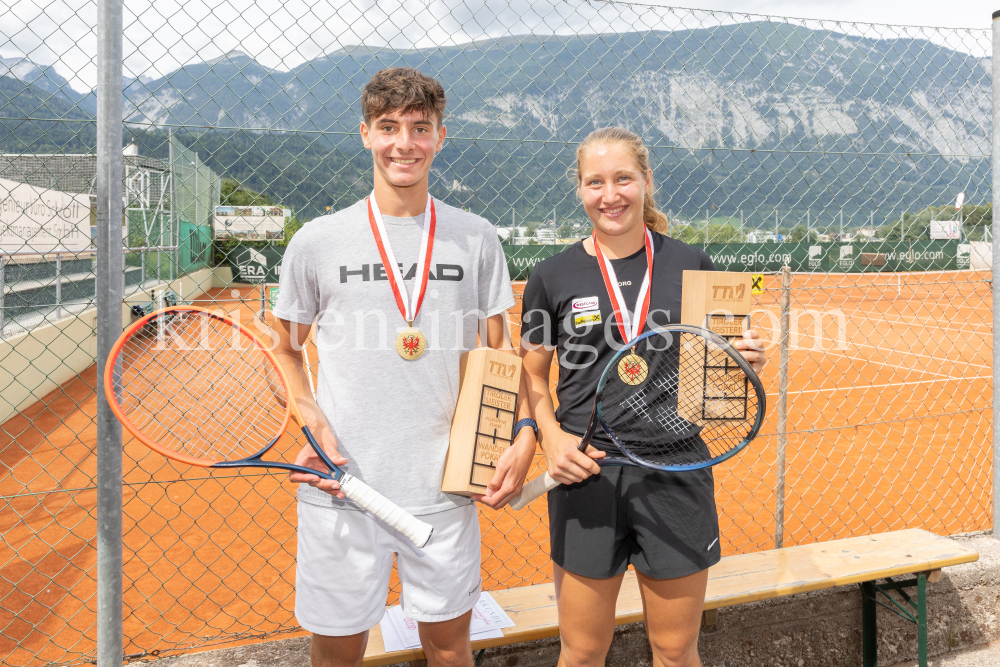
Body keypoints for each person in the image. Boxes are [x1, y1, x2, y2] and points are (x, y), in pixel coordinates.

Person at [271, 67, 537, 667]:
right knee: (338, 652)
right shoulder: (317, 240)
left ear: (441, 137)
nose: (404, 144)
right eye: (389, 127)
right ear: (365, 133)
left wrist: (523, 431)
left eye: (420, 128)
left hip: (442, 487)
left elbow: (502, 355)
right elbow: (284, 349)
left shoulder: (475, 238)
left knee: (448, 649)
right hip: (342, 485)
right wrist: (308, 415)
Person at [518, 127, 768, 667]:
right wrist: (551, 436)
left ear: (647, 181)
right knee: (582, 652)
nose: (610, 195)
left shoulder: (692, 262)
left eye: (623, 178)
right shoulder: (551, 275)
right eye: (595, 182)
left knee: (676, 650)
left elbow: (716, 363)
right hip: (587, 469)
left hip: (675, 469)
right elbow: (533, 375)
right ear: (580, 191)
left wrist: (742, 358)